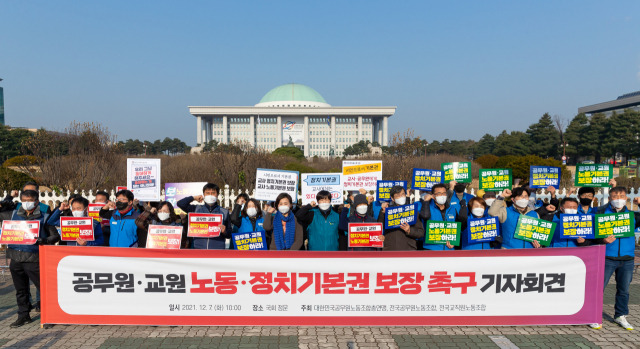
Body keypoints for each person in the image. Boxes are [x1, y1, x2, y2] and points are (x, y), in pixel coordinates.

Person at [0, 190, 59, 327]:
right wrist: (7, 199)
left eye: (30, 200)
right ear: (21, 201)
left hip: (34, 259)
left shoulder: (44, 216)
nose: (27, 203)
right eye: (24, 201)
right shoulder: (13, 215)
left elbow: (55, 236)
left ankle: (48, 315)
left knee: (43, 288)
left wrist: (43, 240)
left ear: (37, 202)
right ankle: (23, 315)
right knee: (21, 290)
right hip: (15, 258)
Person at [590, 186, 640, 330]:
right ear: (610, 198)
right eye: (615, 196)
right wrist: (602, 240)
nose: (618, 199)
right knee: (599, 288)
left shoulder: (632, 215)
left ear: (626, 198)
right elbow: (591, 232)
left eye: (621, 196)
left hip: (627, 259)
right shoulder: (601, 213)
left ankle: (620, 315)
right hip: (606, 257)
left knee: (624, 289)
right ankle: (594, 315)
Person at [177, 183, 231, 250]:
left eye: (213, 193)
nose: (210, 195)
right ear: (204, 195)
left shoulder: (224, 212)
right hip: (198, 248)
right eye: (207, 193)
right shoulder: (196, 209)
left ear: (217, 195)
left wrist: (225, 231)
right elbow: (180, 203)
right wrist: (194, 198)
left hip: (218, 249)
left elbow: (229, 234)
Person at [378, 185, 424, 251]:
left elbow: (421, 232)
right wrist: (382, 212)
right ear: (392, 198)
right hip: (390, 250)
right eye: (398, 195)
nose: (401, 197)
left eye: (403, 194)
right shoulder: (387, 211)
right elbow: (379, 227)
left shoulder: (412, 211)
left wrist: (409, 230)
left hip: (408, 250)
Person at [420, 183, 465, 250]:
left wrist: (454, 242)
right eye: (439, 193)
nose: (442, 195)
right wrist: (426, 201)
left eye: (444, 193)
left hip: (449, 249)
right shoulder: (427, 208)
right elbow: (425, 216)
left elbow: (458, 228)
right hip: (431, 248)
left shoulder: (452, 209)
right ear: (433, 196)